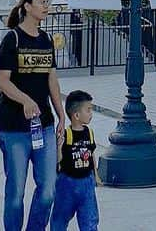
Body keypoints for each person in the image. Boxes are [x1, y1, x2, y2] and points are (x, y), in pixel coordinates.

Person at [0, 0, 64, 231]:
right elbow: (3, 81)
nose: (47, 7)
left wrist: (61, 116)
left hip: (43, 126)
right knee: (16, 192)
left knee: (48, 189)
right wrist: (25, 100)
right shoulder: (12, 39)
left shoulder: (46, 39)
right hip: (14, 128)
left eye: (48, 2)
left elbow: (51, 79)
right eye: (42, 2)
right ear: (27, 6)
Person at [50, 90, 98, 231]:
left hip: (87, 182)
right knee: (60, 217)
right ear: (76, 115)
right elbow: (59, 160)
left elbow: (91, 153)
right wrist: (59, 147)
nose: (91, 113)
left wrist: (95, 174)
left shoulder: (89, 132)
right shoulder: (66, 134)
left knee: (90, 219)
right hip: (67, 183)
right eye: (88, 110)